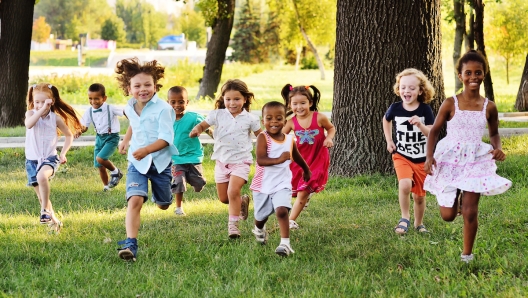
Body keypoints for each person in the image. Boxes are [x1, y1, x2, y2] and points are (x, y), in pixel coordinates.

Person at [424, 50, 512, 263]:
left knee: (471, 212)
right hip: (450, 158)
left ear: (484, 74)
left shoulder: (488, 106)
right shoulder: (450, 103)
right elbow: (435, 130)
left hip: (475, 160)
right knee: (448, 216)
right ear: (460, 76)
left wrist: (497, 148)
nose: (474, 77)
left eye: (478, 72)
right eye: (468, 73)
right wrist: (429, 157)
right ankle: (457, 197)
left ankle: (467, 255)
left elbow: (493, 133)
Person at [115, 58, 178, 261]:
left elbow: (166, 139)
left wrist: (146, 150)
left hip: (159, 163)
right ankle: (130, 244)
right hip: (137, 163)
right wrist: (126, 140)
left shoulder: (164, 109)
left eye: (148, 85)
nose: (143, 89)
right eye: (137, 85)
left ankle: (161, 196)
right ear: (128, 88)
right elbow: (135, 123)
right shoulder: (130, 106)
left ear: (155, 86)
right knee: (134, 200)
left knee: (164, 204)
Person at [190, 79, 262, 239]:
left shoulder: (250, 118)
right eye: (228, 99)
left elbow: (261, 136)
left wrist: (269, 150)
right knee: (224, 198)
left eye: (237, 99)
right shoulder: (217, 114)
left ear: (245, 99)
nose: (232, 103)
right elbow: (203, 125)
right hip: (222, 162)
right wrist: (197, 129)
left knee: (232, 191)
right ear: (223, 99)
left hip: (241, 162)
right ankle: (242, 201)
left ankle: (233, 226)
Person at [250, 101, 311, 256]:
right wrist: (279, 159)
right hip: (263, 185)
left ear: (285, 121)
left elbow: (296, 156)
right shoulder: (263, 138)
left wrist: (306, 169)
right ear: (263, 121)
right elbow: (261, 160)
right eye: (269, 118)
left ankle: (285, 244)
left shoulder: (290, 139)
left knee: (282, 211)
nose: (274, 122)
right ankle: (258, 228)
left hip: (282, 183)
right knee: (260, 216)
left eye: (278, 118)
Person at [382, 68, 436, 235]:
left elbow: (432, 132)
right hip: (402, 155)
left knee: (419, 197)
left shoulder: (425, 110)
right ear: (398, 89)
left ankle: (418, 224)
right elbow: (386, 120)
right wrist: (389, 141)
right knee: (404, 184)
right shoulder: (395, 108)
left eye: (412, 88)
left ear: (420, 90)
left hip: (421, 159)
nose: (407, 91)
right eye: (403, 87)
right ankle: (404, 218)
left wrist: (420, 124)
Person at [24, 83, 82, 233]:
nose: (39, 105)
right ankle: (55, 221)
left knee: (42, 177)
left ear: (52, 102)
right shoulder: (30, 114)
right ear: (33, 102)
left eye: (44, 102)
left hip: (49, 158)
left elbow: (69, 136)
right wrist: (41, 109)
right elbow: (29, 125)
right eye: (37, 102)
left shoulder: (55, 118)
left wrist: (63, 153)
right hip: (32, 160)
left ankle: (44, 210)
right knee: (41, 196)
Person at [281, 84, 335, 229]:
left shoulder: (319, 118)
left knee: (303, 190)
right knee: (297, 187)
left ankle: (290, 220)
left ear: (310, 103)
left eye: (303, 103)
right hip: (300, 159)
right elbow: (281, 137)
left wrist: (329, 138)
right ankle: (305, 196)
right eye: (295, 104)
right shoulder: (291, 122)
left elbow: (331, 128)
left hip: (318, 158)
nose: (299, 107)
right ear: (290, 104)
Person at [167, 86, 209, 216]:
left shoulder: (194, 117)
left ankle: (194, 180)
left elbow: (207, 128)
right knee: (179, 181)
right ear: (167, 103)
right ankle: (179, 207)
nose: (177, 105)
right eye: (173, 102)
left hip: (193, 157)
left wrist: (217, 138)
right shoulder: (165, 120)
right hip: (176, 159)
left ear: (187, 102)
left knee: (199, 183)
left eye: (181, 102)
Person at [78, 83, 124, 191]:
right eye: (90, 98)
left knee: (100, 158)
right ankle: (106, 186)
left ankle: (116, 172)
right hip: (99, 138)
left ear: (104, 98)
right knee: (99, 165)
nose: (93, 102)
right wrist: (80, 130)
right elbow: (84, 125)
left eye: (96, 99)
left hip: (111, 138)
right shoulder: (89, 111)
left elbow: (124, 112)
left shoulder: (110, 108)